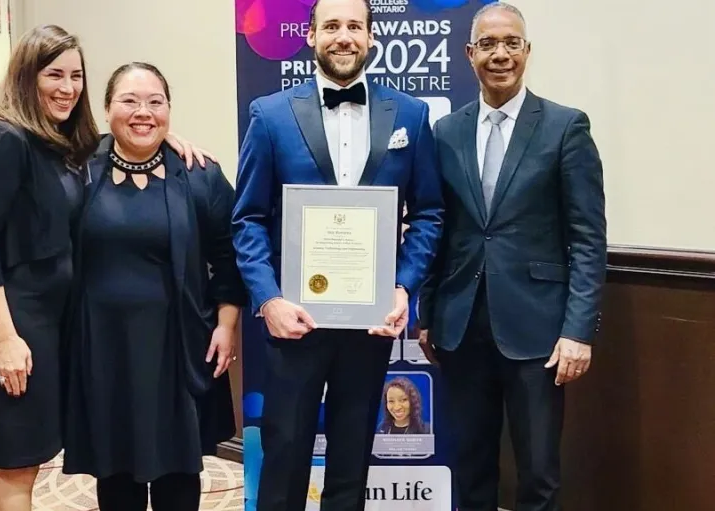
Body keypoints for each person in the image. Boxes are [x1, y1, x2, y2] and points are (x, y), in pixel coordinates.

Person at [0, 26, 215, 511]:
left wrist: (159, 136)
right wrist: (5, 338)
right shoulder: (3, 136)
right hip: (10, 317)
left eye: (75, 76)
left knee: (14, 459)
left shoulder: (58, 144)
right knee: (17, 460)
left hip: (49, 317)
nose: (67, 87)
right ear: (26, 76)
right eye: (54, 74)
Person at [231, 0, 444, 509]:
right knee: (283, 464)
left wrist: (402, 287)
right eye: (331, 26)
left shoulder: (410, 116)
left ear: (371, 38)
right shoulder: (270, 115)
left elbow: (431, 213)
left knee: (352, 466)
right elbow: (248, 220)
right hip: (293, 323)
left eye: (354, 26)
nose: (343, 36)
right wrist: (268, 300)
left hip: (368, 326)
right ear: (310, 35)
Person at [417, 3, 607, 510]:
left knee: (538, 470)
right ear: (469, 54)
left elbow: (588, 238)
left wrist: (578, 331)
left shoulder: (566, 128)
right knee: (471, 465)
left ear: (526, 51)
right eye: (488, 44)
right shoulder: (445, 132)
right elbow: (441, 230)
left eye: (511, 43)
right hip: (460, 327)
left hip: (539, 331)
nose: (500, 54)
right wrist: (428, 312)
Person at [60, 62, 247, 511]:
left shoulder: (199, 174)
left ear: (169, 110)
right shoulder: (77, 172)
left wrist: (226, 325)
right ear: (107, 109)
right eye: (129, 100)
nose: (143, 112)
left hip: (178, 346)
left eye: (155, 102)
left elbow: (228, 256)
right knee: (115, 468)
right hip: (103, 348)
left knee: (179, 469)